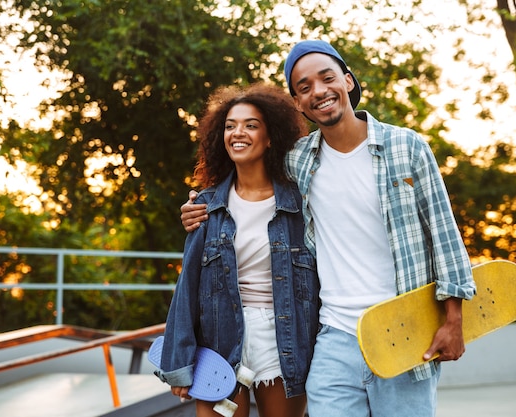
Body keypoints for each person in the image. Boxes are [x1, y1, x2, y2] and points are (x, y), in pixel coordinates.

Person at [180, 40, 477, 417]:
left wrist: (454, 320)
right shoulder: (298, 162)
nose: (318, 91)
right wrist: (198, 206)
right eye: (304, 88)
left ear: (348, 81)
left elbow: (445, 236)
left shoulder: (408, 147)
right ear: (299, 105)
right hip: (333, 338)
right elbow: (245, 175)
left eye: (326, 79)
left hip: (404, 330)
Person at [155, 83, 319, 417]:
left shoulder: (301, 202)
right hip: (220, 339)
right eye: (230, 125)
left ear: (270, 137)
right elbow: (188, 286)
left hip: (284, 338)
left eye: (250, 125)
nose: (237, 133)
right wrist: (180, 360)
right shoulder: (206, 205)